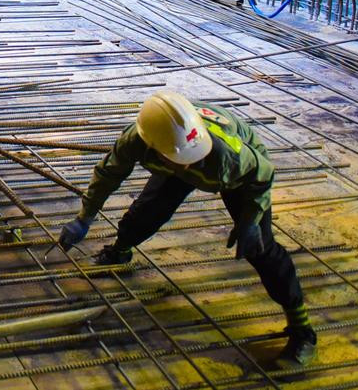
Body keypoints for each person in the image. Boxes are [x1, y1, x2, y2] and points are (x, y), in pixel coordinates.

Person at [58, 90, 316, 369]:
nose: (192, 164)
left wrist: (251, 221)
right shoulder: (139, 139)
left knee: (262, 250)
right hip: (174, 159)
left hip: (238, 178)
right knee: (143, 215)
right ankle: (120, 251)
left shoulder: (228, 156)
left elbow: (263, 175)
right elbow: (109, 173)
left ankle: (302, 331)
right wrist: (84, 217)